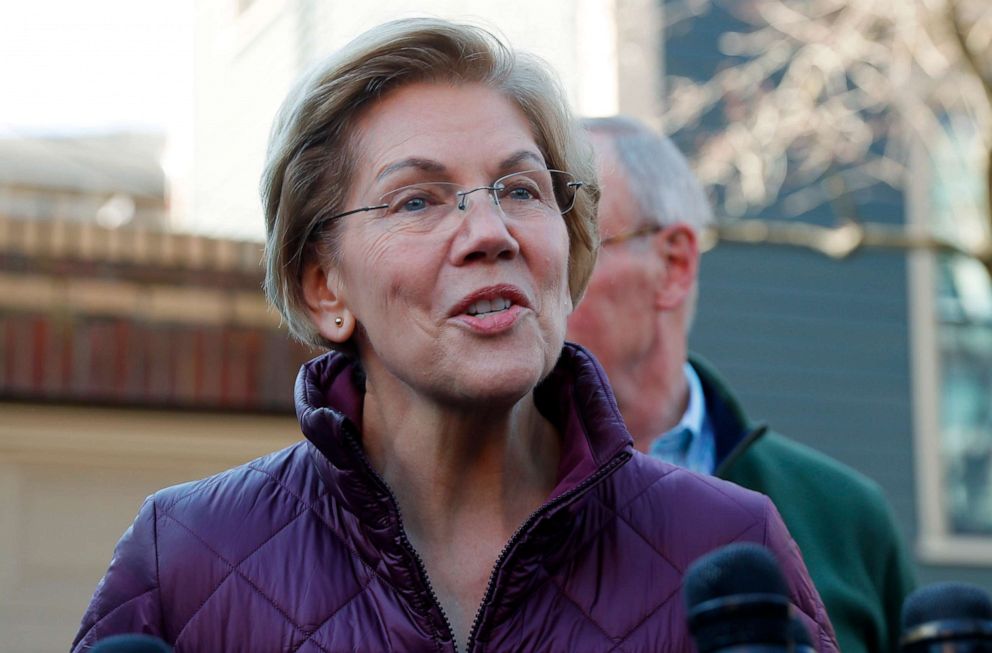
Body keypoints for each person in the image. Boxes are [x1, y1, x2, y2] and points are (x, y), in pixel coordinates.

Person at [72, 20, 839, 653]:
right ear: (324, 286)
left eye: (520, 189)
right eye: (416, 201)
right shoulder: (185, 559)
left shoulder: (732, 545)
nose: (490, 232)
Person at [567, 114, 916, 653]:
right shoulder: (472, 505)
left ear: (673, 263)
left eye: (572, 244)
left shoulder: (844, 517)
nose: (531, 275)